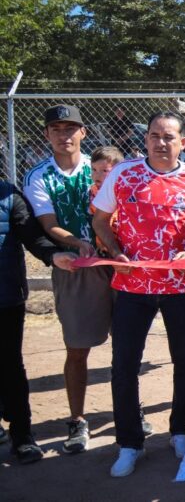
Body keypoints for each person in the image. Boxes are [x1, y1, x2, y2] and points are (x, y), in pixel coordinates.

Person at [92, 111, 185, 477]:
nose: (161, 142)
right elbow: (100, 218)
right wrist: (115, 252)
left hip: (181, 286)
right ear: (145, 139)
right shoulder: (123, 173)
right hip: (133, 286)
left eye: (169, 136)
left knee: (184, 360)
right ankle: (130, 443)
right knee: (124, 364)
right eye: (154, 136)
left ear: (183, 142)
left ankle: (181, 430)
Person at [22, 104, 115, 454]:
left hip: (117, 264)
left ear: (83, 132)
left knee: (128, 343)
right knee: (77, 348)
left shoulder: (103, 166)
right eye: (57, 129)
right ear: (47, 134)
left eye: (71, 128)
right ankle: (77, 420)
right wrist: (78, 243)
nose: (64, 135)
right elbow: (48, 224)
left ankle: (129, 410)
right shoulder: (39, 175)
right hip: (75, 267)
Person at [0, 178, 76, 464]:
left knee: (10, 366)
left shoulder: (8, 195)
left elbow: (31, 235)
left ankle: (22, 437)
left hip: (5, 297)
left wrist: (53, 254)